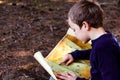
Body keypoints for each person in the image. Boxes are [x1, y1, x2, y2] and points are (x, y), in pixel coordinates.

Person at [50, 0, 120, 80]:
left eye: (74, 30)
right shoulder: (106, 40)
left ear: (85, 25)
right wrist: (74, 55)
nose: (75, 34)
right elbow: (95, 53)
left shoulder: (104, 48)